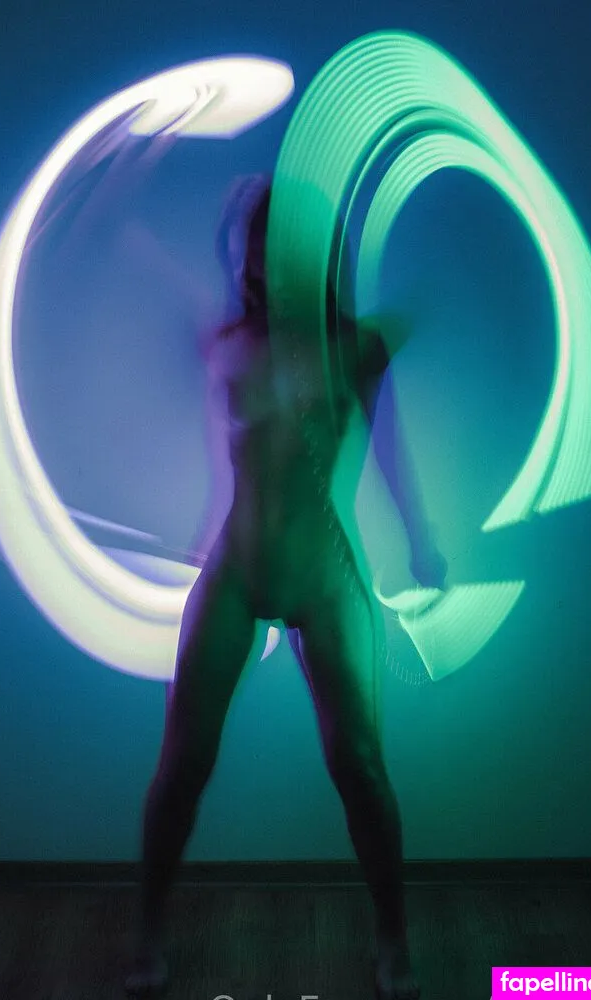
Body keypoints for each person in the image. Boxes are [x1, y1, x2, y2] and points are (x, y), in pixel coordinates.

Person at [124, 171, 448, 1000]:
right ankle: (147, 939)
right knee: (183, 762)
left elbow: (389, 449)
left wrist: (420, 540)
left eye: (276, 238)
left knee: (360, 764)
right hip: (236, 568)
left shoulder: (358, 349)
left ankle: (393, 942)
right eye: (251, 242)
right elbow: (229, 438)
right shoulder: (224, 340)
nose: (261, 255)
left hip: (322, 573)